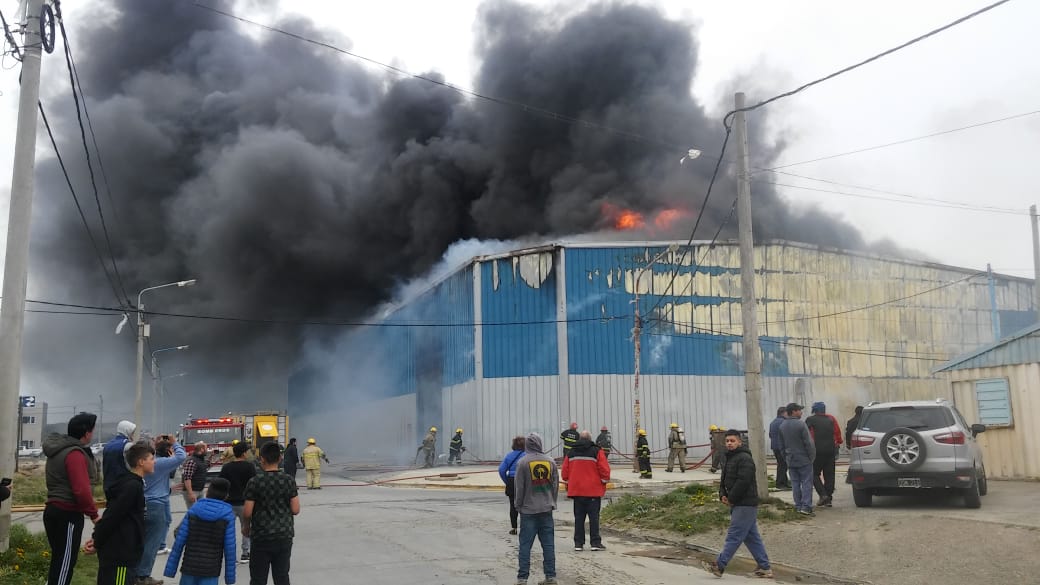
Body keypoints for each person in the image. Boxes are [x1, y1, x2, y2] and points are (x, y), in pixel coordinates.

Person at [701, 430, 773, 579]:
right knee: (751, 537)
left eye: (732, 441)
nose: (729, 443)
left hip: (745, 503)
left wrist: (731, 498)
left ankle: (719, 565)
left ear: (740, 442)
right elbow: (723, 479)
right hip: (737, 502)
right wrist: (722, 494)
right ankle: (765, 567)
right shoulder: (728, 457)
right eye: (727, 441)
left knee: (734, 535)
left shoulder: (744, 458)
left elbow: (743, 481)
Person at [43, 412, 100, 585]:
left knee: (59, 559)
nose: (93, 433)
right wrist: (94, 515)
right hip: (67, 514)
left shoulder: (58, 450)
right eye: (92, 430)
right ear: (86, 433)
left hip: (53, 509)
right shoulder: (75, 454)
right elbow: (81, 490)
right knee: (65, 564)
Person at [87, 441, 154, 585]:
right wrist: (97, 540)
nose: (154, 462)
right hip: (120, 555)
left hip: (123, 552)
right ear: (141, 462)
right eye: (151, 459)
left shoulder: (134, 483)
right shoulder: (132, 486)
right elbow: (112, 516)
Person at [244, 442, 301, 585]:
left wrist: (246, 527)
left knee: (258, 578)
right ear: (280, 458)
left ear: (262, 459)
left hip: (261, 536)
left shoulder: (254, 481)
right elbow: (295, 509)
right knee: (282, 576)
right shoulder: (288, 480)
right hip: (284, 535)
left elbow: (247, 512)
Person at [164, 477, 237, 585]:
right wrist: (230, 578)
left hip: (189, 566)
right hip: (211, 569)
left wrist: (170, 570)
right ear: (226, 496)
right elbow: (230, 549)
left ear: (207, 492)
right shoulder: (227, 515)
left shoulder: (194, 509)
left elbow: (179, 542)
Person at [137, 436, 186, 585]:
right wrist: (174, 442)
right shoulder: (159, 463)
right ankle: (143, 576)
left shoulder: (144, 464)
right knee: (152, 542)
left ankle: (139, 573)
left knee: (144, 540)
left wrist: (168, 489)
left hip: (147, 501)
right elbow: (181, 456)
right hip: (156, 504)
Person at [514, 433, 559, 585]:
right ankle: (551, 577)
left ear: (527, 445)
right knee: (548, 545)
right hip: (546, 509)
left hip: (528, 510)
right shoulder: (551, 461)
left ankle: (522, 579)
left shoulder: (522, 463)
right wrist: (551, 501)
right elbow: (555, 486)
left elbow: (519, 488)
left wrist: (518, 505)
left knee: (525, 546)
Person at [561, 430, 610, 552]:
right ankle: (595, 543)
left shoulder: (571, 452)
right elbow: (604, 469)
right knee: (594, 518)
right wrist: (604, 481)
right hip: (593, 491)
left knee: (579, 518)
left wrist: (569, 481)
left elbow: (565, 472)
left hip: (577, 491)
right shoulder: (597, 451)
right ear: (590, 439)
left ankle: (578, 543)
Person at [778, 403, 817, 516]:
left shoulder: (782, 426)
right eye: (799, 410)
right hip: (804, 459)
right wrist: (811, 457)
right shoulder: (801, 425)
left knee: (795, 483)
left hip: (790, 459)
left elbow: (781, 446)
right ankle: (806, 506)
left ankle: (798, 505)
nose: (801, 412)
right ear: (794, 411)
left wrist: (786, 458)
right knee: (806, 483)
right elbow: (809, 444)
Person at [220, 441, 256, 563]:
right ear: (244, 453)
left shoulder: (226, 467)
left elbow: (221, 484)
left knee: (229, 531)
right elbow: (254, 484)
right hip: (245, 503)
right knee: (246, 528)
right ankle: (245, 553)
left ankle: (230, 556)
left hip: (228, 503)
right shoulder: (249, 467)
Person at [806, 402, 843, 508]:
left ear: (814, 410)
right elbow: (837, 432)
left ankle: (823, 495)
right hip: (831, 450)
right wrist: (839, 442)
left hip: (816, 451)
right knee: (829, 475)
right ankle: (828, 498)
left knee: (813, 473)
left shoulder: (810, 420)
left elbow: (805, 434)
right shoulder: (831, 419)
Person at [102, 420, 137, 500]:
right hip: (124, 485)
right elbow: (132, 466)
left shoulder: (108, 445)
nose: (133, 435)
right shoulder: (128, 445)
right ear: (127, 431)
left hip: (108, 485)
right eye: (132, 432)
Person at [498, 436, 526, 536]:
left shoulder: (509, 456)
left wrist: (507, 481)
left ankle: (513, 528)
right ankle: (525, 527)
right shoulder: (527, 455)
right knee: (525, 505)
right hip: (524, 481)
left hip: (512, 480)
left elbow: (501, 470)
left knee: (513, 505)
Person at [182, 442, 209, 510]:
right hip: (193, 491)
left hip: (200, 490)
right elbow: (187, 477)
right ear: (201, 449)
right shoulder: (192, 461)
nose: (207, 450)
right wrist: (190, 493)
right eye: (206, 448)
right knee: (193, 513)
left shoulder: (201, 460)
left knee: (201, 512)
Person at [768, 407, 790, 490]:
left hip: (775, 447)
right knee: (783, 465)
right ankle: (781, 483)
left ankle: (783, 482)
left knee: (781, 465)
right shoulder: (784, 422)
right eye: (787, 413)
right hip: (782, 447)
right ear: (783, 413)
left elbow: (770, 435)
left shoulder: (773, 422)